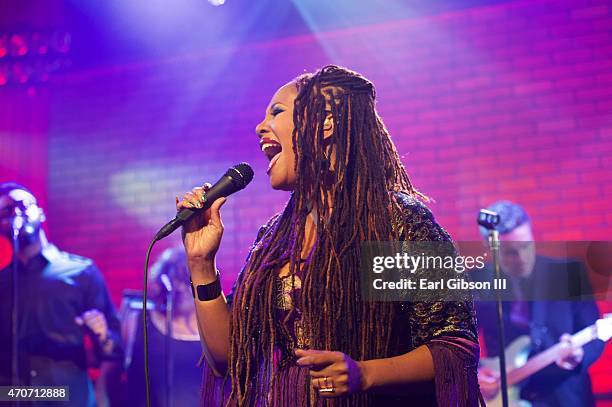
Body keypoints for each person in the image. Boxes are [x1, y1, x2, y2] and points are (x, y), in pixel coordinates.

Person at [179, 65, 481, 406]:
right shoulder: (274, 239)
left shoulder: (397, 222)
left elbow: (455, 348)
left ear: (327, 122)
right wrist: (201, 263)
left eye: (277, 112)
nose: (260, 127)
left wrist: (366, 374)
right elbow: (228, 358)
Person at [0, 182, 123, 406]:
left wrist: (101, 334)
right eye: (6, 211)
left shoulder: (80, 272)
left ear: (40, 213)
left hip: (66, 395)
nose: (16, 213)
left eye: (23, 205)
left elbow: (114, 349)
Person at [475, 201, 605, 406]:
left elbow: (596, 334)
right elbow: (458, 343)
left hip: (566, 397)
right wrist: (475, 375)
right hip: (506, 397)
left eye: (526, 245)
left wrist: (579, 356)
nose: (521, 258)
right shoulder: (477, 283)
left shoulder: (568, 274)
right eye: (510, 252)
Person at [121, 247, 203, 407]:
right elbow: (111, 376)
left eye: (185, 279)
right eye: (174, 279)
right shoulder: (138, 321)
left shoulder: (216, 329)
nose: (179, 287)